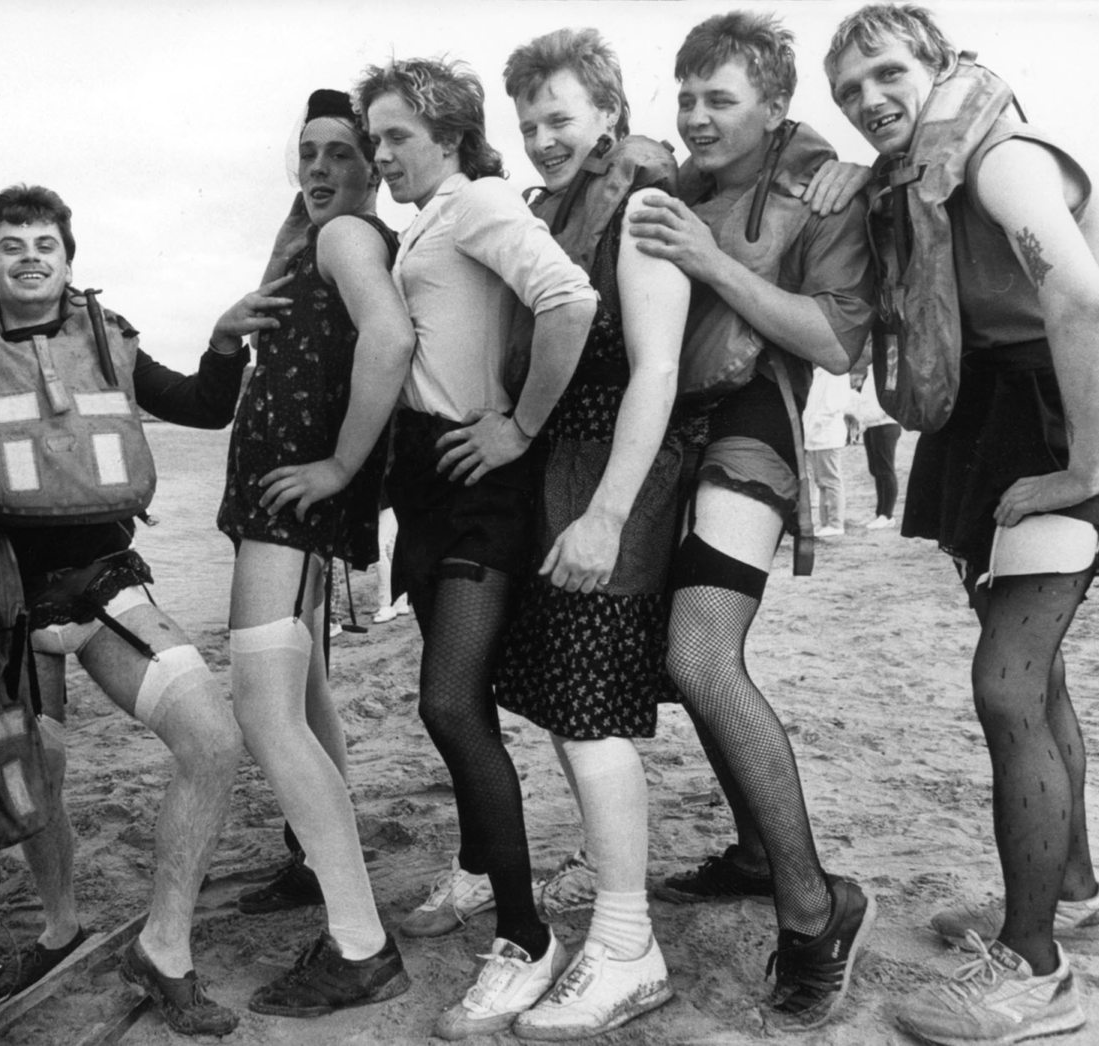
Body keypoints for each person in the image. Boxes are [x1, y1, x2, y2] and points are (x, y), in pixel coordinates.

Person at [826, 5, 1099, 1041]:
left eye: (886, 72)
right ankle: (1072, 885)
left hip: (1051, 411)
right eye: (849, 90)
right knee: (1036, 679)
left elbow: (1087, 303)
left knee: (1004, 685)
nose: (869, 99)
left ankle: (1035, 973)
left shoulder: (1003, 159)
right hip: (990, 412)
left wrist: (1083, 469)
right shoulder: (922, 174)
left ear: (941, 64)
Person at [0, 185, 247, 1037]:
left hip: (105, 587)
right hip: (5, 605)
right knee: (41, 777)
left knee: (213, 745)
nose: (30, 256)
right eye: (11, 245)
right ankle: (59, 924)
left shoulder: (109, 344)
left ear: (69, 261)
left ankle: (165, 947)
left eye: (45, 244)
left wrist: (224, 345)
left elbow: (207, 407)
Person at [627, 11, 876, 1031]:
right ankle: (752, 848)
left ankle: (816, 905)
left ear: (776, 106)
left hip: (752, 423)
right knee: (668, 656)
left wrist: (714, 260)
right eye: (684, 96)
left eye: (717, 99)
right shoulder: (683, 177)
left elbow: (835, 338)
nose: (693, 116)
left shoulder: (823, 184)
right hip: (670, 427)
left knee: (703, 656)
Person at [355, 56, 598, 1039]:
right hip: (430, 482)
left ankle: (525, 935)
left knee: (450, 700)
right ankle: (473, 864)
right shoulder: (434, 217)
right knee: (468, 697)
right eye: (376, 141)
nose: (382, 156)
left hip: (479, 486)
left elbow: (569, 300)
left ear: (450, 134)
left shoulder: (481, 199)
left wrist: (520, 426)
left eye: (396, 137)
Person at [487, 28, 691, 1041]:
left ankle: (627, 944)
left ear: (610, 113)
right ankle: (618, 923)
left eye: (562, 118)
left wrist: (608, 513)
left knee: (591, 707)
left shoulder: (643, 207)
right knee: (571, 703)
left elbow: (656, 366)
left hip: (624, 466)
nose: (543, 138)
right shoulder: (555, 213)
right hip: (564, 464)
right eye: (528, 124)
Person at [215, 88, 416, 1017]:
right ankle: (312, 862)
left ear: (373, 165)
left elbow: (391, 335)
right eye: (308, 152)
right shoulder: (314, 239)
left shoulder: (345, 238)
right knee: (303, 694)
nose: (322, 168)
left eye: (342, 152)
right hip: (283, 502)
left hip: (290, 507)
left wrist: (339, 467)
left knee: (263, 711)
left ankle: (360, 943)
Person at [847, 361, 902, 529]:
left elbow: (892, 397)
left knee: (885, 470)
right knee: (876, 470)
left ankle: (887, 514)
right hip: (871, 425)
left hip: (885, 424)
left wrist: (873, 415)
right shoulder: (870, 371)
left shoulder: (890, 368)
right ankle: (880, 513)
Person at [804, 366, 853, 537]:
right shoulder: (820, 373)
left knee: (831, 480)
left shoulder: (836, 373)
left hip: (827, 435)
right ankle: (825, 522)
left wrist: (817, 423)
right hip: (816, 436)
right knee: (821, 481)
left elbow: (833, 405)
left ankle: (835, 522)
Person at [372, 501, 411, 623]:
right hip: (385, 502)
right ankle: (400, 599)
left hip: (387, 501)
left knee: (379, 549)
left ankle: (386, 604)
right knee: (389, 548)